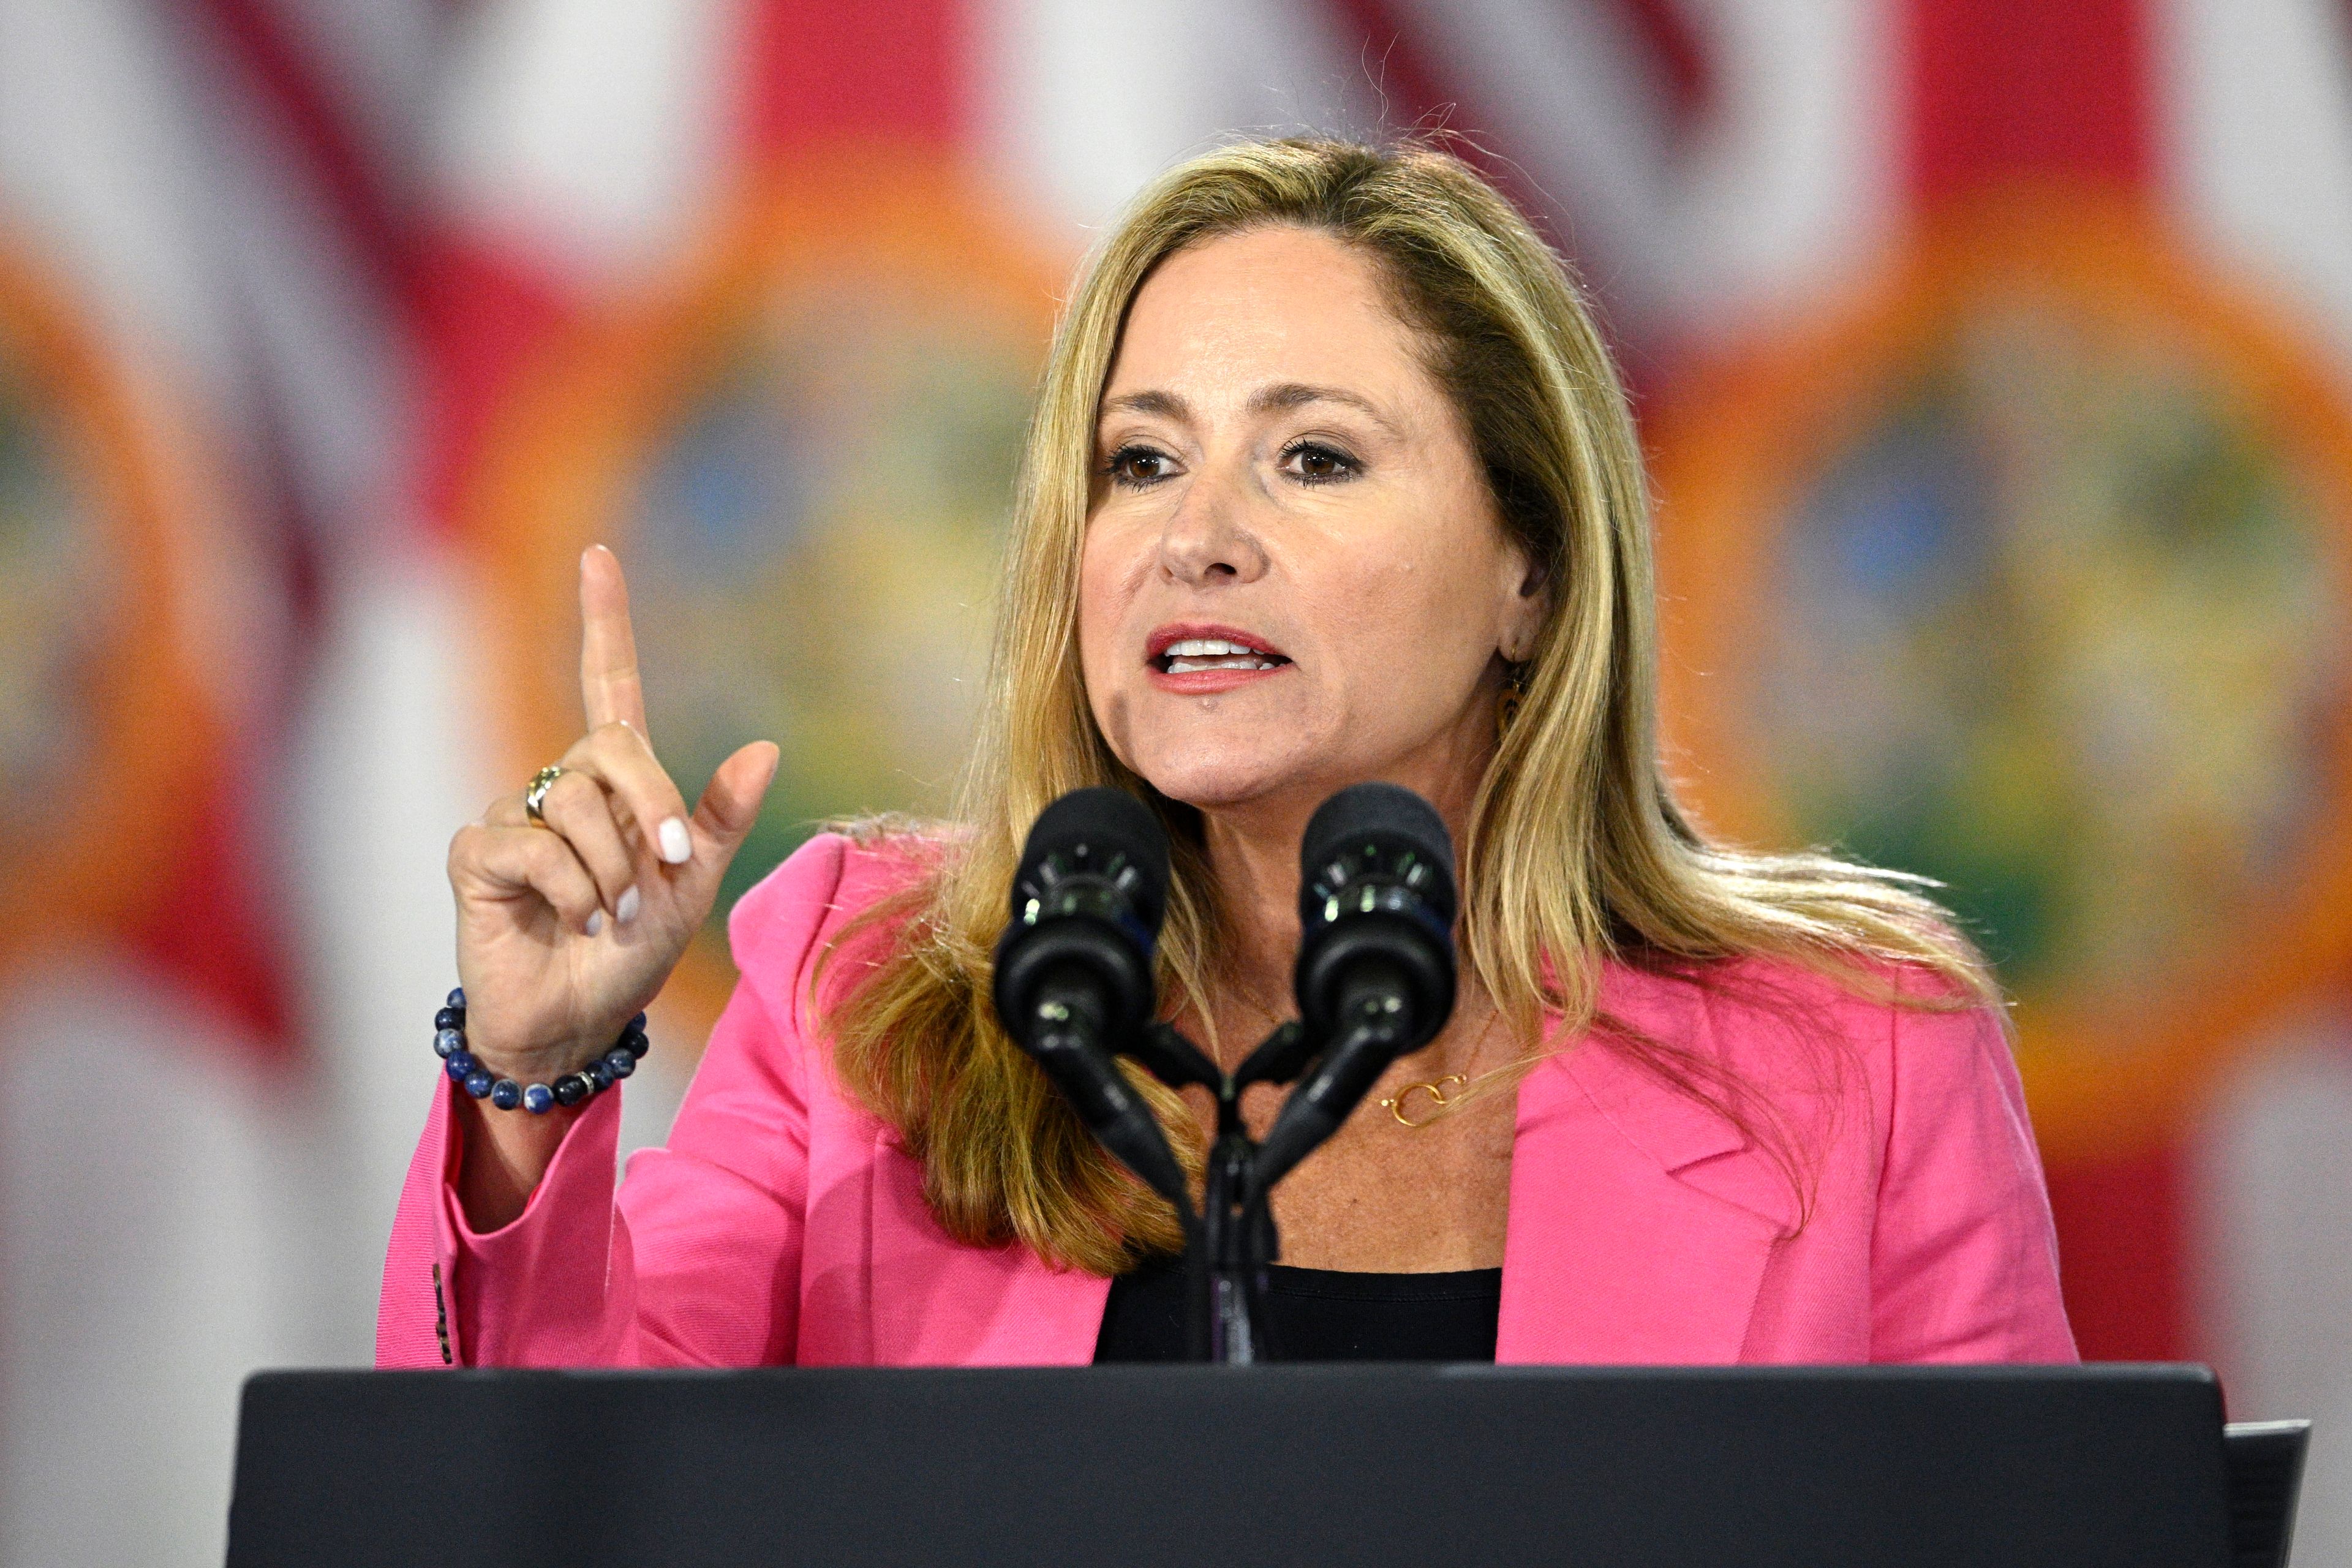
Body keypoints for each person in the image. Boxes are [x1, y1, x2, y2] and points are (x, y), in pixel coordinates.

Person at [378, 137, 2075, 1368]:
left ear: (1532, 572)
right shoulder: (873, 995)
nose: (1195, 538)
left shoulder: (1866, 1053)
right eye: (1137, 463)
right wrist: (527, 1086)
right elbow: (548, 1504)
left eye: (1315, 460)